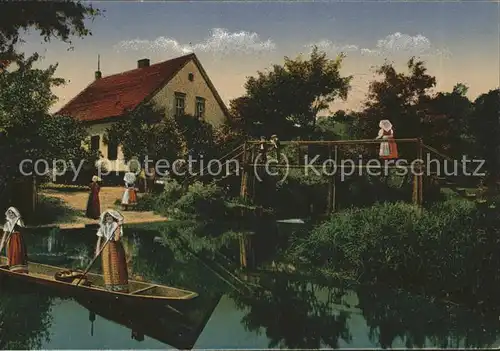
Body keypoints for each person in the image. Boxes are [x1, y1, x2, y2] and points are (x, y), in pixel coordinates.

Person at [95, 209, 129, 292]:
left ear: (113, 217)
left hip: (115, 247)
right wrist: (97, 250)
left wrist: (119, 227)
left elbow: (117, 239)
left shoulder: (116, 225)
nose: (108, 217)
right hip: (106, 247)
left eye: (110, 216)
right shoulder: (103, 226)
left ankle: (119, 286)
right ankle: (109, 285)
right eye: (106, 216)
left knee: (116, 265)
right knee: (107, 265)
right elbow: (99, 239)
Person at [0, 207, 28, 273]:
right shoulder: (7, 224)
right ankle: (12, 267)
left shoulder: (17, 220)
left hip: (18, 239)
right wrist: (0, 248)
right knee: (11, 252)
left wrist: (19, 218)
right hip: (11, 240)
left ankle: (19, 269)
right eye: (9, 213)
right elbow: (4, 236)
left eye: (12, 213)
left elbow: (22, 225)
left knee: (18, 252)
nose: (11, 214)